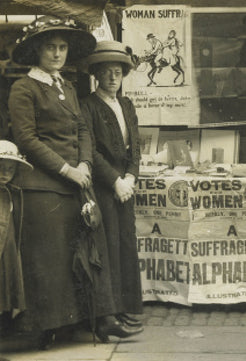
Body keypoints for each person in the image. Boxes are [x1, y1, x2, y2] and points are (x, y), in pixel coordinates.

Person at [7, 15, 120, 349]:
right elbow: (27, 140)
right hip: (44, 186)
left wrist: (84, 162)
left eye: (62, 48)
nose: (57, 54)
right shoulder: (23, 88)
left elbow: (82, 129)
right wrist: (66, 169)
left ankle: (94, 321)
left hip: (77, 182)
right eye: (50, 48)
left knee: (87, 252)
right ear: (36, 52)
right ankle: (48, 327)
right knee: (51, 259)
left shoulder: (67, 87)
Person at [80, 40, 144, 341]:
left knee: (125, 244)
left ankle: (124, 307)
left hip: (125, 186)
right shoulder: (88, 106)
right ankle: (110, 311)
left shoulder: (127, 105)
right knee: (108, 247)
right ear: (96, 75)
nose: (112, 77)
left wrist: (131, 176)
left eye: (117, 72)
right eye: (106, 72)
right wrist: (115, 181)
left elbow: (136, 146)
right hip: (105, 187)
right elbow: (91, 151)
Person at [0, 140, 32, 337]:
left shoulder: (12, 193)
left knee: (5, 294)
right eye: (1, 168)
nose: (5, 173)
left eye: (10, 169)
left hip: (7, 250)